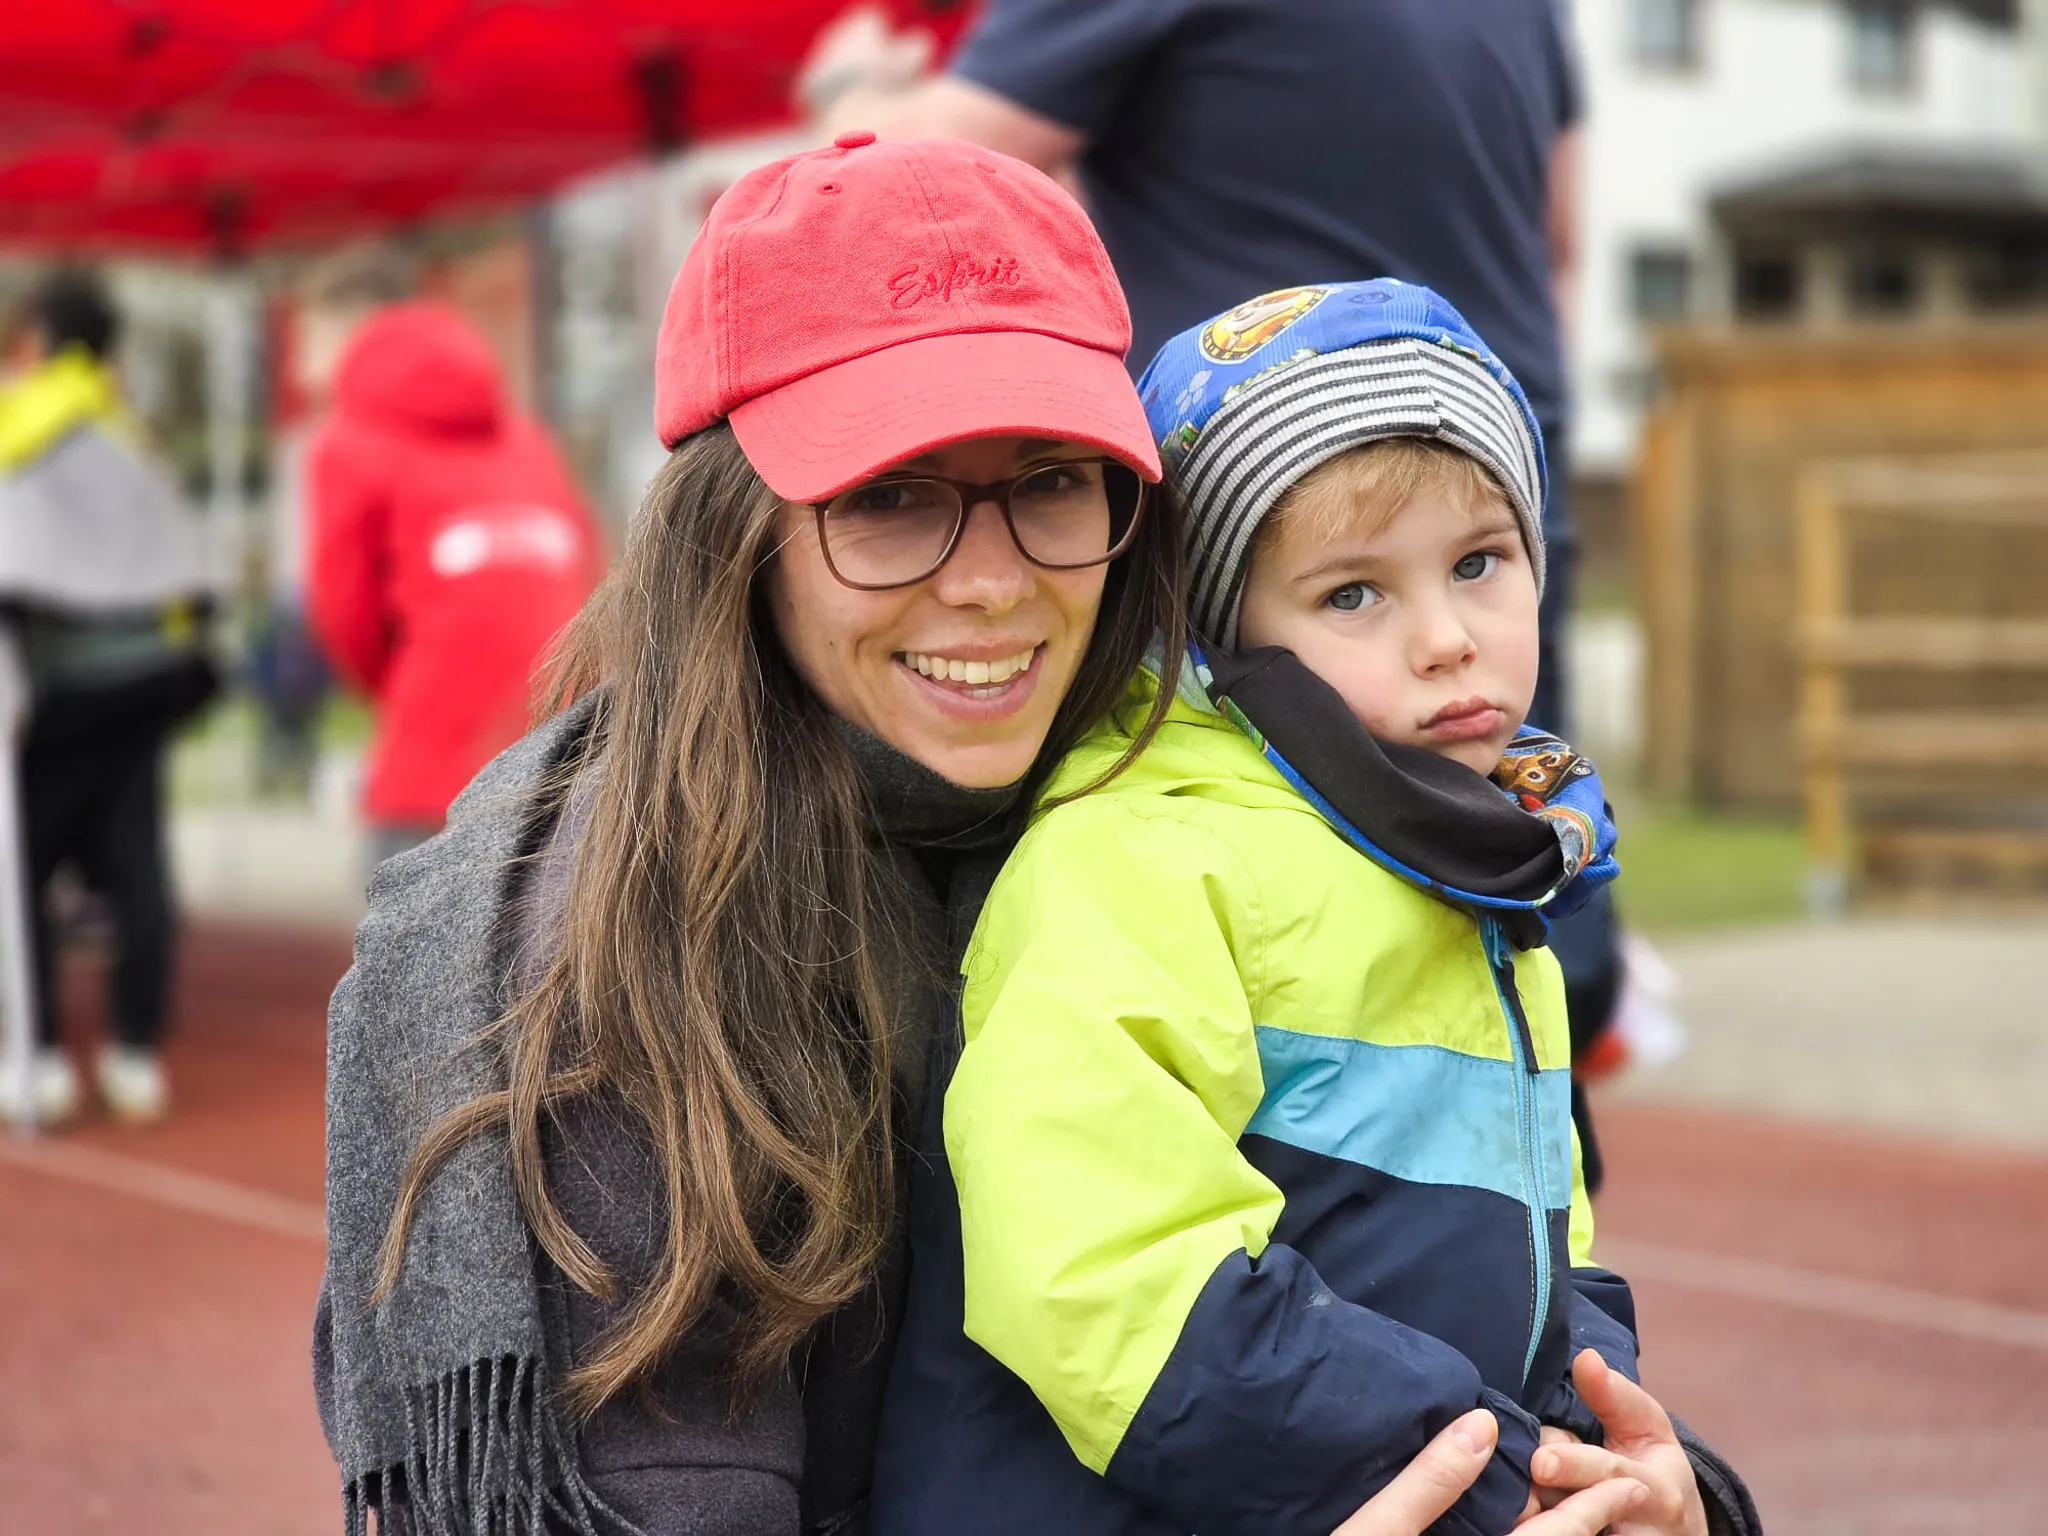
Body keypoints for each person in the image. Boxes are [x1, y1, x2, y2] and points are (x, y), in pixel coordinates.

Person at [872, 281, 1754, 1536]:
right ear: (1225, 640)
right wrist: (1497, 1489)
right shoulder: (1145, 854)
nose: (1445, 638)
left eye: (1478, 563)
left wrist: (1616, 1478)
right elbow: (1103, 1268)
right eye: (1352, 594)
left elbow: (1542, 1255)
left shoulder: (1473, 875)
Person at [803, 0, 1628, 1191]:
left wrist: (849, 97)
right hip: (1481, 477)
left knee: (1271, 954)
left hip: (1264, 521)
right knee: (1442, 932)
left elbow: (922, 174)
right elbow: (1558, 233)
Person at [0, 269, 215, 1125]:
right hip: (146, 683)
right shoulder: (132, 434)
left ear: (38, 340)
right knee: (137, 865)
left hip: (56, 691)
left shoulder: (19, 419)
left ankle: (43, 1055)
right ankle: (134, 1054)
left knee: (25, 867)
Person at [300, 281, 601, 868]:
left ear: (352, 334)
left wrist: (406, 693)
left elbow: (344, 617)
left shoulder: (347, 445)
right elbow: (589, 582)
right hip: (568, 756)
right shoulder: (530, 445)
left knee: (405, 954)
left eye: (309, 335)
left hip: (430, 773)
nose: (302, 363)